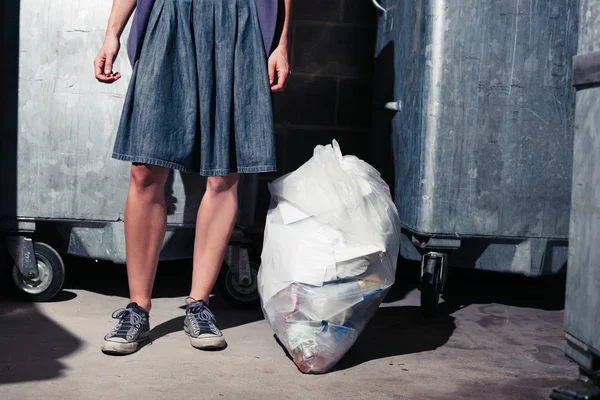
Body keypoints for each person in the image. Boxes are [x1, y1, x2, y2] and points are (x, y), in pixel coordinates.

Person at [94, 0, 291, 355]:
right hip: (169, 17)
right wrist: (112, 33)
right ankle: (138, 307)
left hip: (238, 20)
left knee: (224, 173)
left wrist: (281, 42)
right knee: (145, 170)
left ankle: (199, 304)